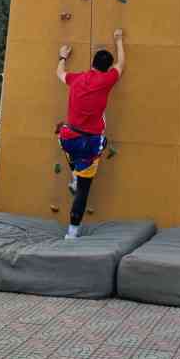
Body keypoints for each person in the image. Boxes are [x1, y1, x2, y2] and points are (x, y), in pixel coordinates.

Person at [56, 29, 125, 239]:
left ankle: (75, 173)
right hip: (89, 144)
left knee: (67, 144)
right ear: (106, 69)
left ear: (92, 63)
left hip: (68, 139)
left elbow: (59, 73)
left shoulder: (77, 79)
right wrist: (119, 40)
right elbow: (121, 64)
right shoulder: (107, 80)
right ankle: (72, 232)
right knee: (83, 190)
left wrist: (62, 56)